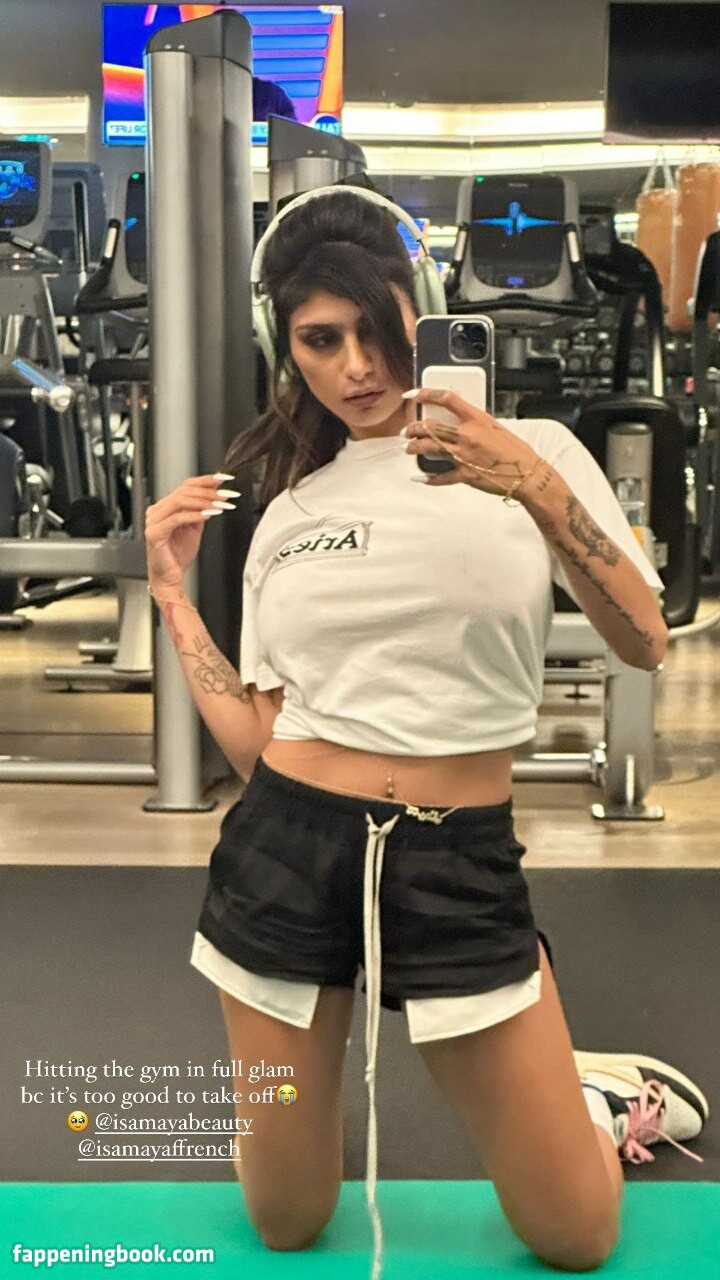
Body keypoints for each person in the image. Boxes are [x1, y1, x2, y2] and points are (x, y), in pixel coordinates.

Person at [144, 188, 709, 1279]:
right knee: (287, 1221)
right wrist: (171, 594)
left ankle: (591, 1093)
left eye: (378, 329)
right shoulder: (293, 508)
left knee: (576, 1237)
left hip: (456, 860)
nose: (357, 366)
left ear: (426, 313)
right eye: (322, 340)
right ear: (286, 349)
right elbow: (260, 744)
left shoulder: (532, 449)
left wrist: (530, 484)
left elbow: (644, 639)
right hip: (282, 853)